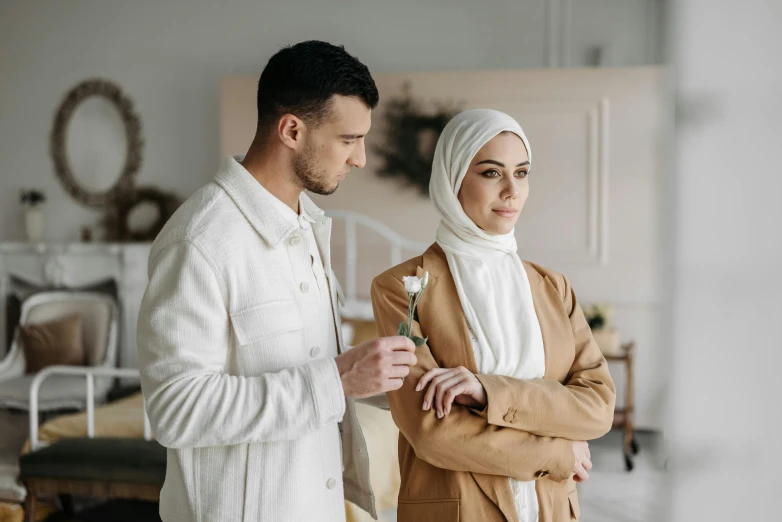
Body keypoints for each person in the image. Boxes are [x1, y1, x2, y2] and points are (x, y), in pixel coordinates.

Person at [137, 40, 416, 522]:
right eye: (349, 139)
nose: (360, 159)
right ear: (291, 129)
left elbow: (314, 373)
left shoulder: (307, 227)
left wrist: (383, 378)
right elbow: (175, 408)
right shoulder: (199, 240)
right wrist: (336, 378)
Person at [370, 109, 616, 522]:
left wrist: (489, 393)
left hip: (551, 509)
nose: (511, 191)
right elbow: (432, 433)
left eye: (521, 173)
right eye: (490, 173)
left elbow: (597, 406)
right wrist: (558, 451)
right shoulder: (402, 288)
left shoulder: (554, 287)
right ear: (453, 180)